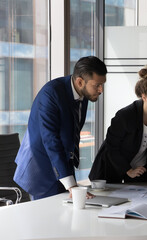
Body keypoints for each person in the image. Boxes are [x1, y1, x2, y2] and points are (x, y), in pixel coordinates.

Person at [13, 56, 107, 200]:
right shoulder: (51, 93)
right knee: (47, 219)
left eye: (102, 85)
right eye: (97, 85)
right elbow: (50, 139)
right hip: (41, 168)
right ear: (80, 82)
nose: (101, 90)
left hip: (62, 166)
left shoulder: (84, 94)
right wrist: (70, 184)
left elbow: (72, 131)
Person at [89, 67, 147, 186]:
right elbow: (111, 147)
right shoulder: (125, 116)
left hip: (139, 169)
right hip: (112, 168)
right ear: (144, 97)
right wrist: (128, 170)